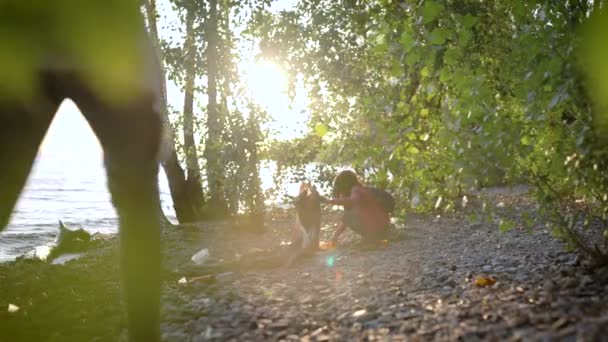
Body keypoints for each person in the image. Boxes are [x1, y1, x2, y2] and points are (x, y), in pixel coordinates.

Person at [325, 170, 394, 245]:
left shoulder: (356, 190)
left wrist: (333, 201)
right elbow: (345, 221)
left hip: (378, 228)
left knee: (348, 216)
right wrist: (334, 237)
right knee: (348, 216)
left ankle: (373, 238)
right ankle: (374, 236)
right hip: (383, 228)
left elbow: (353, 201)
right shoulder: (360, 190)